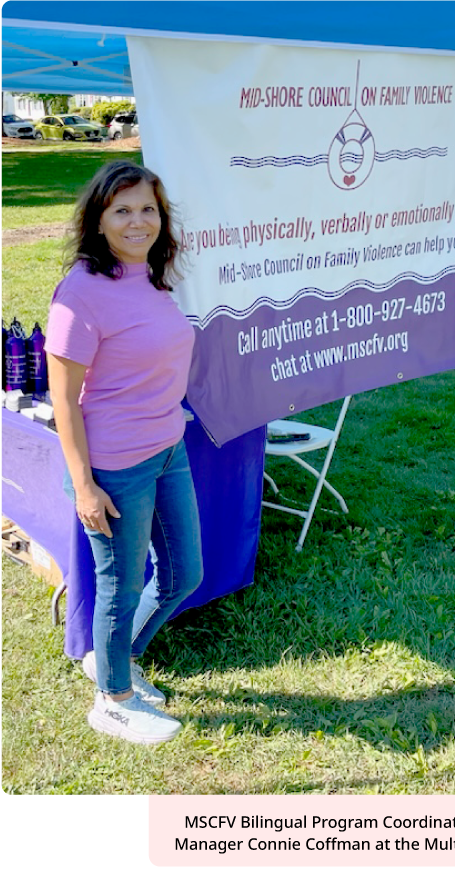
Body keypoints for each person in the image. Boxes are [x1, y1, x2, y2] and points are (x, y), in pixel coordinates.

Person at [46, 160, 203, 743]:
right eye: (123, 210)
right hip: (114, 465)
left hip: (168, 447)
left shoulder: (154, 277)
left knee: (185, 573)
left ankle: (115, 659)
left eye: (148, 209)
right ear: (99, 218)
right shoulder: (81, 290)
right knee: (121, 585)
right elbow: (63, 399)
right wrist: (84, 484)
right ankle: (111, 700)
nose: (138, 221)